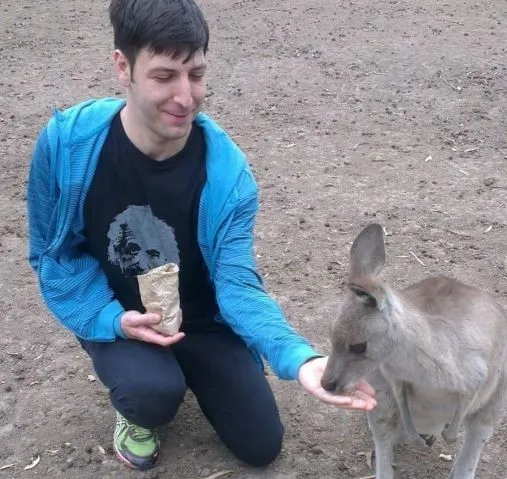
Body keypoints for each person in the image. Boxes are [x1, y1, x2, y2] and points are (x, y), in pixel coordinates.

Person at [26, 0, 376, 471]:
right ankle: (139, 401)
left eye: (195, 73)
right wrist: (109, 319)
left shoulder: (227, 173)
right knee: (153, 393)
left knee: (261, 444)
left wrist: (298, 357)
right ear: (122, 67)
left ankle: (192, 367)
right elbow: (56, 257)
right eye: (165, 76)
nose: (185, 96)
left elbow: (237, 283)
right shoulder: (66, 147)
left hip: (203, 318)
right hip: (123, 315)